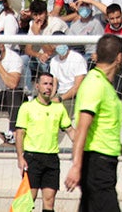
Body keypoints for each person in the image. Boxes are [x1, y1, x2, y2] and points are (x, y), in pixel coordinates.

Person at [64, 34, 122, 211]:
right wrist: (76, 166)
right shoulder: (94, 83)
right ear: (119, 57)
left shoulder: (105, 85)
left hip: (103, 164)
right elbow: (82, 129)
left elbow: (103, 128)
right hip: (96, 166)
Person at [15, 71, 74, 212]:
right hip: (32, 158)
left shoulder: (59, 108)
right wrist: (20, 157)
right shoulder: (27, 107)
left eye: (51, 84)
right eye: (45, 84)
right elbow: (20, 133)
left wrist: (82, 143)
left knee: (49, 200)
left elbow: (70, 130)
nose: (48, 87)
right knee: (28, 199)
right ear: (37, 86)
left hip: (52, 159)